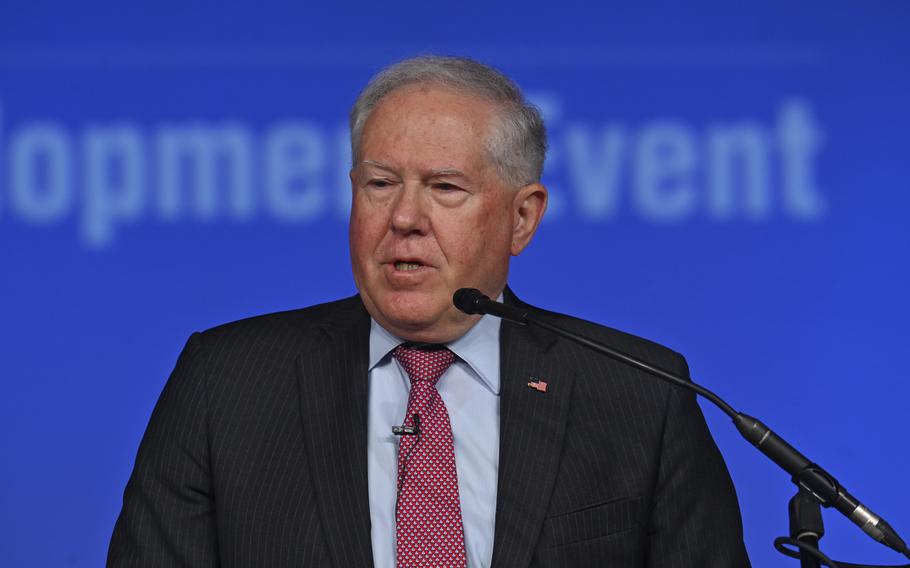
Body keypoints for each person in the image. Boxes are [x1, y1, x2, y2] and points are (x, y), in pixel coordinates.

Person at [109, 56, 750, 567]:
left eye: (445, 188)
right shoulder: (225, 383)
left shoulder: (640, 394)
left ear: (521, 217)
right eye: (379, 184)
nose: (405, 219)